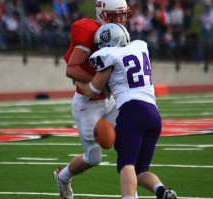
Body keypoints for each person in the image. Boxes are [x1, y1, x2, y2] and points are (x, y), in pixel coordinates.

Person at [77, 23, 177, 199]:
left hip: (132, 112)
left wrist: (77, 82)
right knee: (140, 171)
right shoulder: (139, 47)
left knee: (126, 165)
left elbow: (93, 90)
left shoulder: (109, 55)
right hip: (153, 114)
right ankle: (163, 192)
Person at [53, 1, 130, 199]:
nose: (121, 20)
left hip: (110, 101)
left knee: (127, 142)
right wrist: (98, 82)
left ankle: (131, 194)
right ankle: (63, 178)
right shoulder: (89, 32)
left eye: (123, 15)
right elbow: (71, 69)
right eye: (116, 15)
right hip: (88, 104)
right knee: (93, 158)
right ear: (103, 14)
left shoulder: (118, 32)